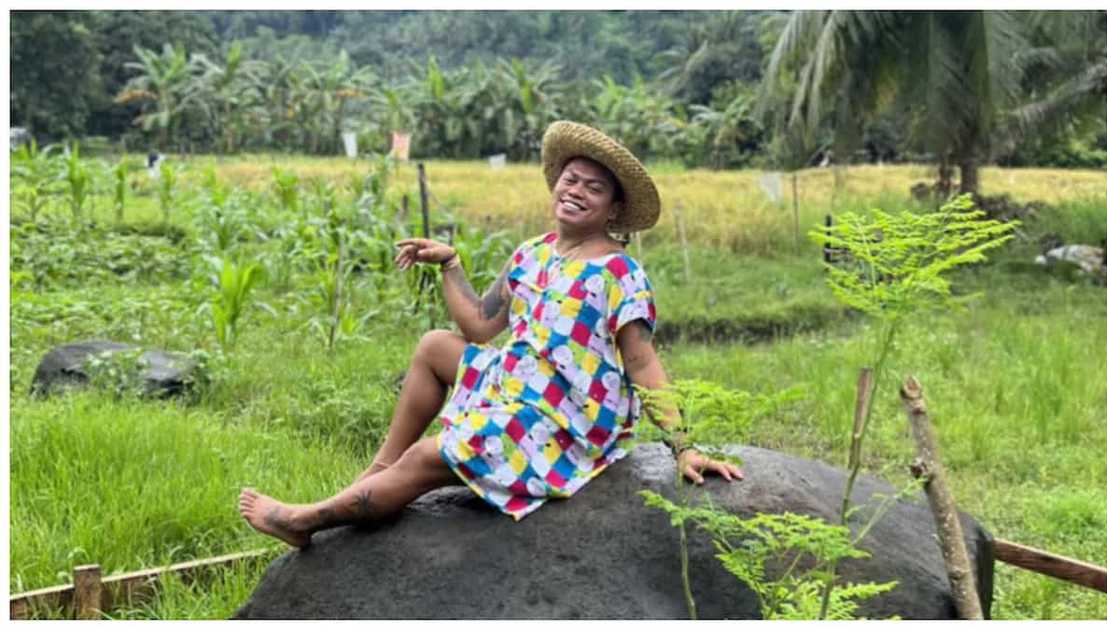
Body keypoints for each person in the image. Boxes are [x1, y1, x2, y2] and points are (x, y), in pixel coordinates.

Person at [239, 121, 743, 547]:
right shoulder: (532, 253)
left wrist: (682, 446)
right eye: (571, 179)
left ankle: (302, 521)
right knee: (435, 346)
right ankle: (377, 472)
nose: (576, 191)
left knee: (434, 452)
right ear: (555, 185)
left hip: (566, 416)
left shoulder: (618, 271)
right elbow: (481, 324)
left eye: (594, 188)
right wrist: (451, 265)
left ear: (613, 208)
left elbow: (642, 362)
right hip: (516, 380)